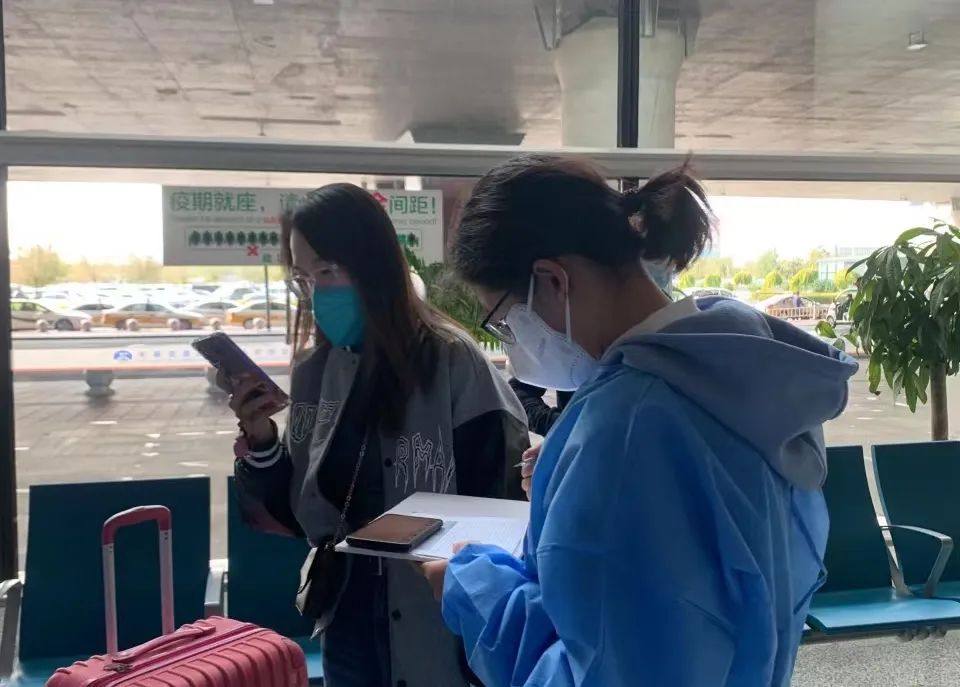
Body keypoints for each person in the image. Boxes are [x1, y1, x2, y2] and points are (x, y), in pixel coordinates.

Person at [421, 155, 858, 686]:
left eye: (505, 321)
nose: (512, 343)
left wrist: (476, 593)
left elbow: (603, 670)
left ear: (552, 280)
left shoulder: (624, 426)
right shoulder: (748, 369)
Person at [227, 185, 528, 687]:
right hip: (347, 622)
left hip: (439, 623)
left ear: (373, 266)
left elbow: (502, 504)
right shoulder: (314, 372)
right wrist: (260, 439)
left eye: (327, 271)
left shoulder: (452, 362)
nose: (316, 293)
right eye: (303, 278)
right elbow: (298, 512)